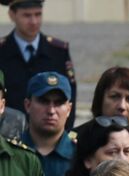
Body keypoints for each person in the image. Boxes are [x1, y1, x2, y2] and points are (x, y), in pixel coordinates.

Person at [0, 0, 74, 135]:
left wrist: (63, 137)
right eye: (27, 16)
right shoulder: (2, 51)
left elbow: (69, 96)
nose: (34, 21)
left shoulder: (57, 51)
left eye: (38, 14)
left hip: (48, 135)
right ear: (12, 15)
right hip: (8, 135)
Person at [20, 70, 71, 176]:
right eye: (43, 101)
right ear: (28, 105)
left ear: (69, 109)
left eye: (59, 103)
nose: (51, 111)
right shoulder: (10, 155)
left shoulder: (82, 156)